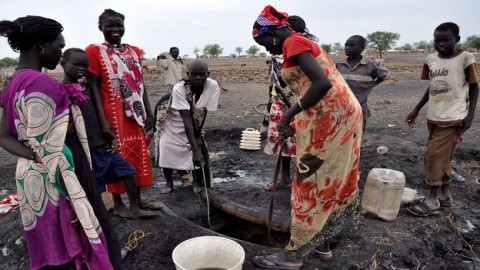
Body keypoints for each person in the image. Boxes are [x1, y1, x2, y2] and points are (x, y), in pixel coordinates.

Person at [0, 16, 121, 269]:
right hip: (63, 173)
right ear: (42, 45)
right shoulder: (42, 84)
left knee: (55, 244)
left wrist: (34, 156)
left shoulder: (13, 82)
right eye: (60, 47)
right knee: (88, 236)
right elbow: (53, 152)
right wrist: (73, 200)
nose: (61, 53)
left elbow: (4, 137)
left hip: (31, 177)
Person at [251, 6, 363, 269]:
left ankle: (295, 256)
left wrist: (288, 116)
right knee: (331, 177)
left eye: (263, 41)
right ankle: (322, 245)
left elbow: (321, 84)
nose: (266, 48)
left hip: (330, 118)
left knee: (308, 182)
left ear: (274, 32)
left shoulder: (293, 41)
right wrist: (297, 121)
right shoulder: (298, 43)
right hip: (335, 115)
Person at [61, 48, 157, 219]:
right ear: (63, 64)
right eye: (76, 64)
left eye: (85, 65)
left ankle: (134, 208)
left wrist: (110, 137)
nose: (82, 69)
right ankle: (95, 216)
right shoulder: (60, 91)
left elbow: (99, 114)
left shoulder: (87, 87)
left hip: (101, 143)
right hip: (85, 148)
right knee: (93, 185)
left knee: (128, 172)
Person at [85, 9, 161, 215]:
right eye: (109, 25)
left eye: (119, 25)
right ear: (100, 27)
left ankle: (138, 201)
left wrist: (149, 112)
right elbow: (93, 89)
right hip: (112, 115)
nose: (115, 29)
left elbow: (140, 85)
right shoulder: (93, 52)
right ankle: (118, 203)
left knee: (137, 154)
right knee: (116, 156)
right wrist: (102, 122)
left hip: (135, 115)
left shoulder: (134, 51)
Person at [405, 22, 478, 217]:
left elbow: (474, 87)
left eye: (447, 40)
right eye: (437, 40)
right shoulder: (430, 59)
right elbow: (432, 87)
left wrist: (470, 115)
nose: (441, 44)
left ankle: (432, 198)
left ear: (457, 39)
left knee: (433, 156)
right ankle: (445, 196)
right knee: (443, 157)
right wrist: (416, 109)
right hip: (434, 116)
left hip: (454, 117)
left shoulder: (466, 58)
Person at [154, 60, 220, 194]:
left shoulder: (212, 86)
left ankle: (195, 181)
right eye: (194, 74)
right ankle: (169, 182)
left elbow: (203, 112)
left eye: (201, 74)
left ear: (208, 74)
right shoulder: (180, 88)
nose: (198, 78)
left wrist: (198, 135)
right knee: (166, 145)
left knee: (192, 146)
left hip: (194, 119)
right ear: (188, 74)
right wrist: (196, 149)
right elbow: (185, 118)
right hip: (173, 117)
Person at [336, 35, 390, 135]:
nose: (347, 47)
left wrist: (369, 87)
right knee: (341, 137)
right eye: (346, 45)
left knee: (356, 137)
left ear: (362, 48)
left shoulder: (369, 64)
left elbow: (384, 75)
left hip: (359, 108)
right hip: (341, 108)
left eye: (351, 45)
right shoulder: (339, 65)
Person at [263, 54, 296, 191]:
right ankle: (285, 178)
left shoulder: (294, 75)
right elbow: (272, 91)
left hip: (297, 109)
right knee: (284, 145)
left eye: (272, 65)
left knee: (301, 145)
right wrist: (268, 112)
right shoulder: (275, 76)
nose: (270, 68)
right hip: (279, 109)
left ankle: (301, 180)